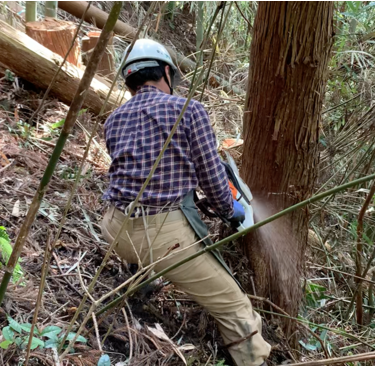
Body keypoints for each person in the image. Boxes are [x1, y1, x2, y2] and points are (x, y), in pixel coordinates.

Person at [100, 39, 271, 366]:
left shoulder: (113, 120)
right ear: (166, 71)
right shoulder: (189, 109)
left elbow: (134, 172)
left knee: (142, 247)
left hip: (113, 229)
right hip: (163, 239)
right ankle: (255, 360)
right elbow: (211, 176)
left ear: (130, 79)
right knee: (234, 307)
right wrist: (230, 208)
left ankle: (140, 286)